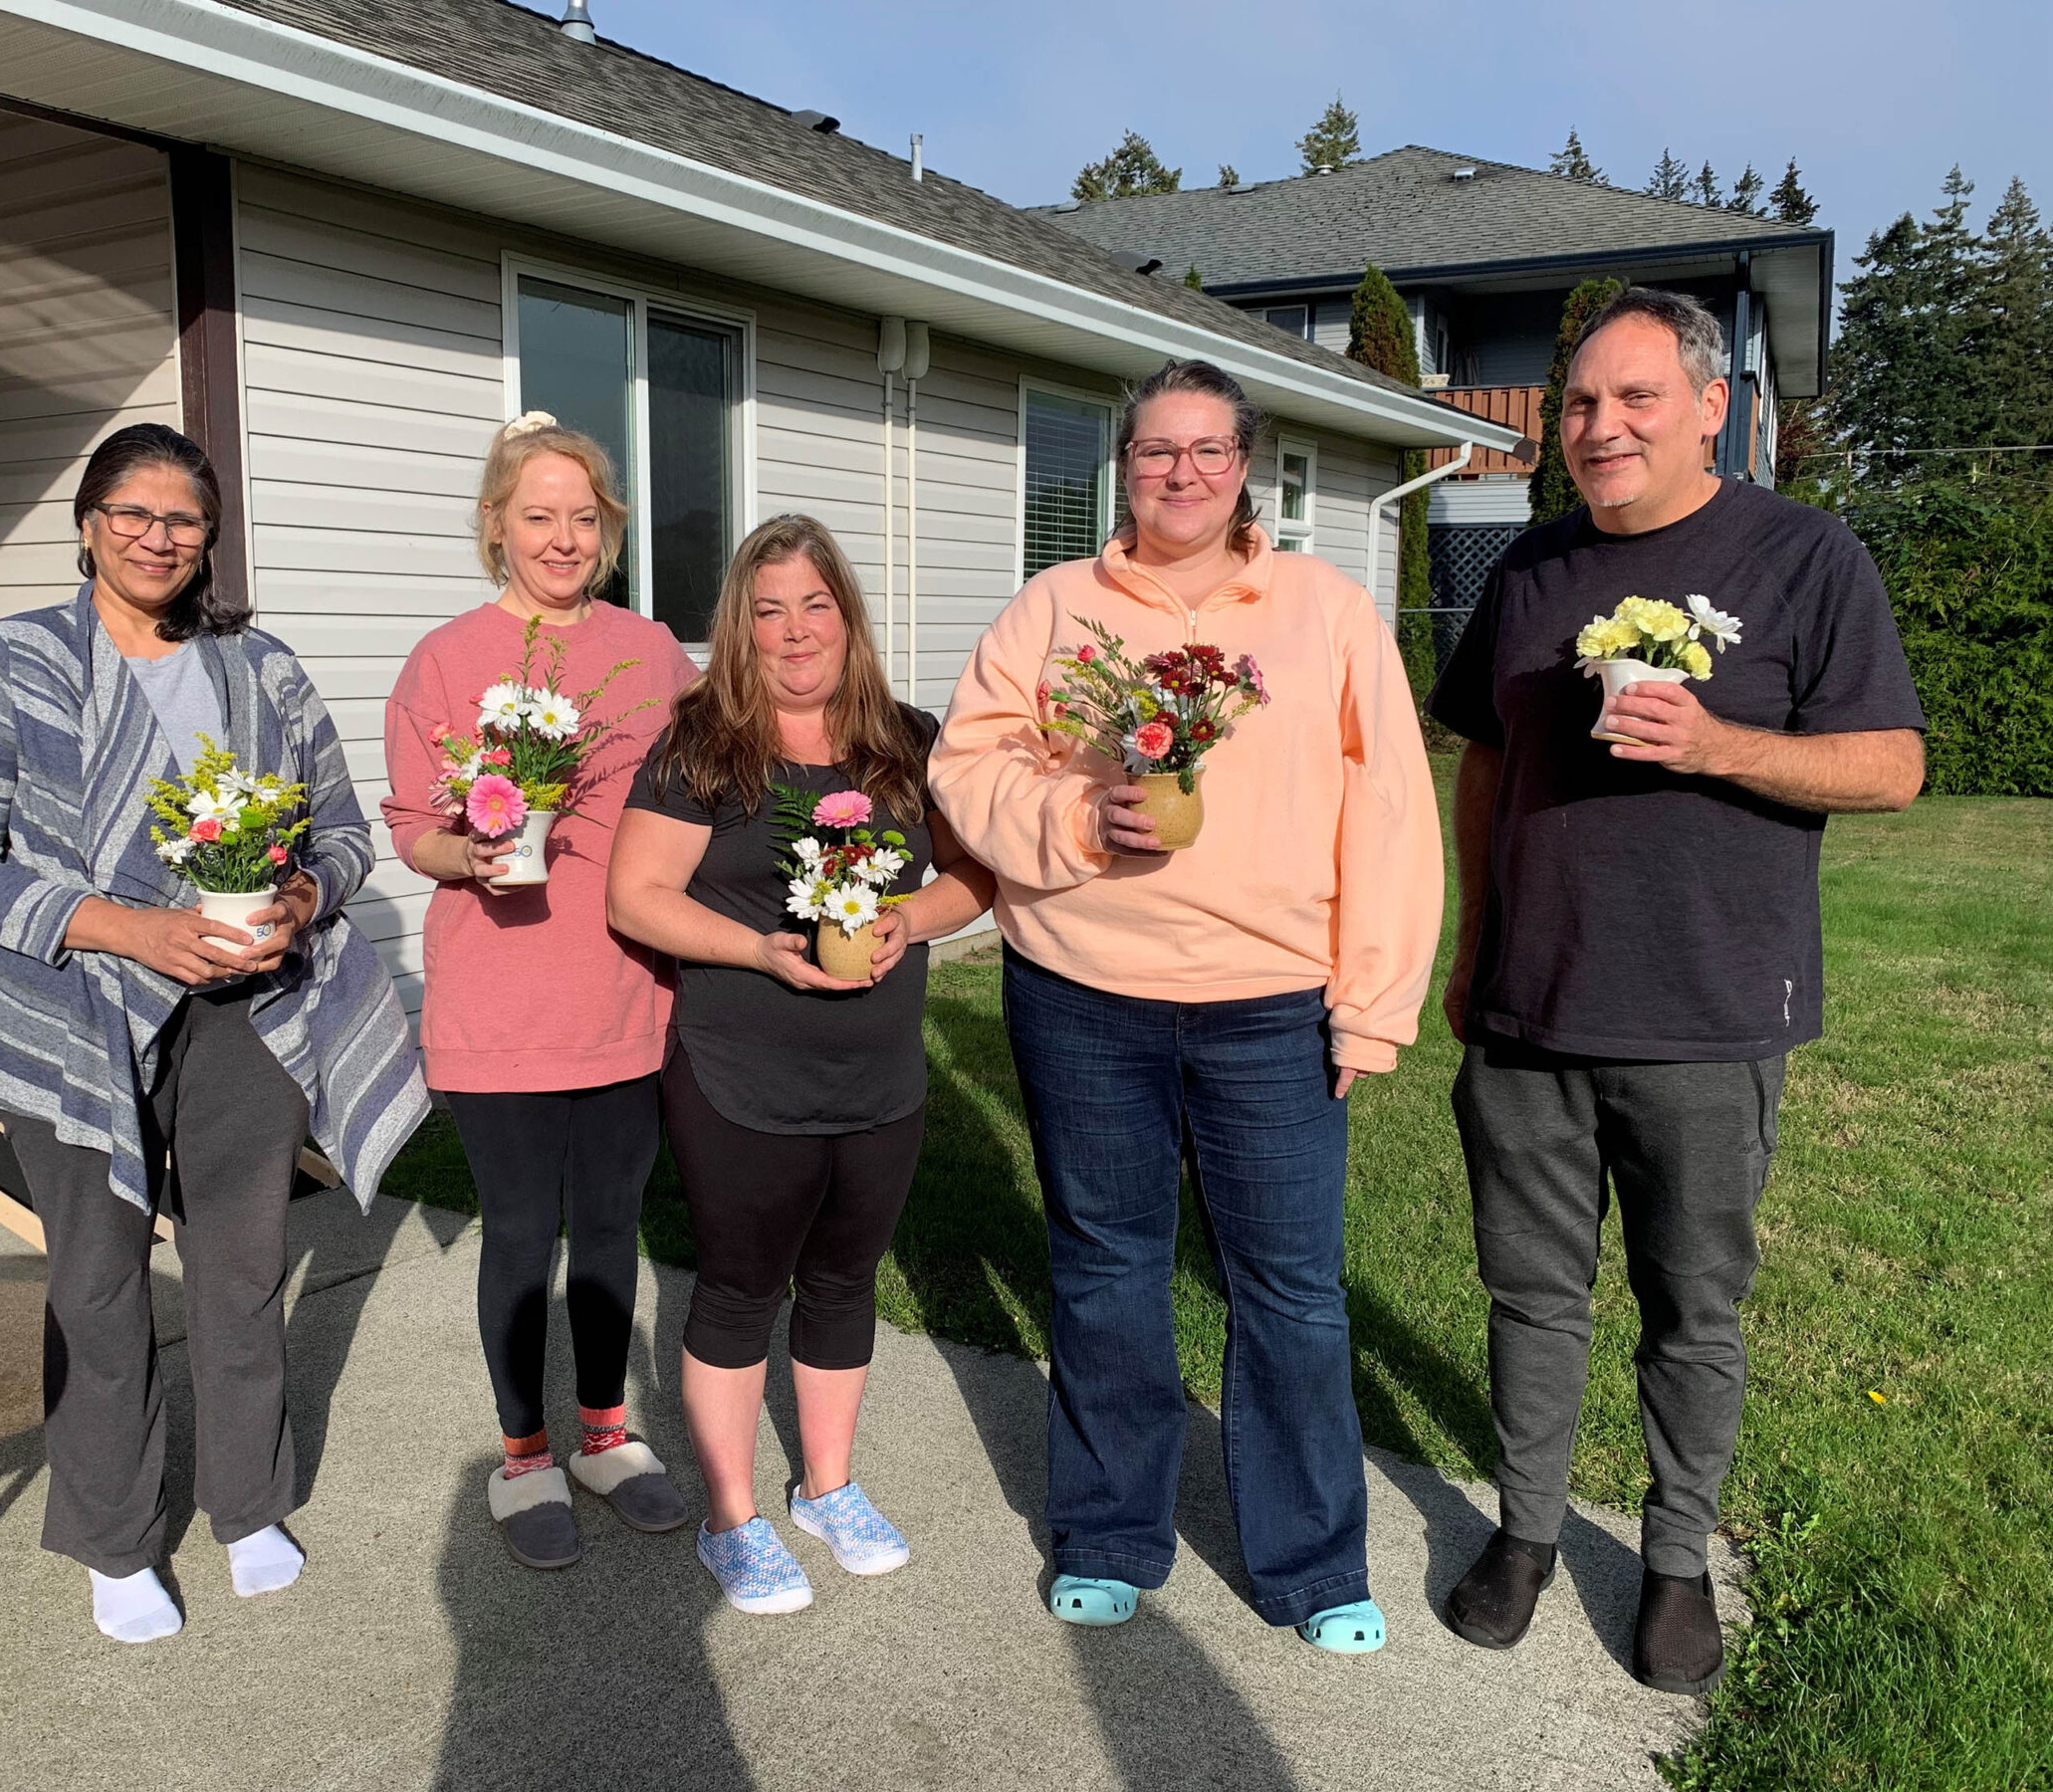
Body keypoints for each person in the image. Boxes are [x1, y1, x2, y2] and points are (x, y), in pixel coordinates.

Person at [1428, 287, 1924, 1693]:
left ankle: (1674, 1560)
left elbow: (1891, 764)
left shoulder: (1803, 557)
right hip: (1530, 1011)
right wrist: (1474, 949)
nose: (1600, 425)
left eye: (1636, 398)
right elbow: (1482, 760)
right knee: (1530, 1296)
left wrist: (1719, 744)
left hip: (1707, 1017)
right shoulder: (1529, 571)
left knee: (1691, 1307)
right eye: (1580, 402)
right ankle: (1524, 1538)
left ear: (1715, 407)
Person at [930, 358, 1440, 1652]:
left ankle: (1314, 1563)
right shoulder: (1056, 610)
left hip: (1271, 1006)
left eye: (1208, 451)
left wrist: (1370, 1005)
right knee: (1106, 1271)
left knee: (1292, 1290)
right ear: (1124, 464)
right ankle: (1108, 1533)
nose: (1183, 474)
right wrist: (1069, 811)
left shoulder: (1322, 610)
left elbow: (1390, 816)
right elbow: (969, 764)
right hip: (1082, 995)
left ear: (1246, 464)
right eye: (1158, 451)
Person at [0, 422, 427, 1645]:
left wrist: (305, 896)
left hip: (247, 1015)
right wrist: (126, 929)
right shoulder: (15, 661)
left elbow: (343, 830)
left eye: (183, 519)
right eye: (133, 513)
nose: (158, 536)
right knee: (98, 1284)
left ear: (209, 540)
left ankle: (247, 1505)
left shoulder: (265, 669)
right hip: (75, 1019)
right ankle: (114, 1536)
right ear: (88, 522)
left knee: (242, 1273)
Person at [607, 514, 995, 1615]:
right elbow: (635, 896)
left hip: (880, 1079)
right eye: (766, 610)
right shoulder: (703, 751)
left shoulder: (908, 744)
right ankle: (735, 1518)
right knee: (738, 1291)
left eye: (813, 605)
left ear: (846, 614)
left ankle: (828, 1486)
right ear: (741, 627)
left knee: (843, 1279)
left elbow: (977, 877)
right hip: (740, 1073)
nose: (792, 631)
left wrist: (911, 922)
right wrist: (759, 948)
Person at [381, 414, 698, 1569]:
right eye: (537, 517)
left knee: (611, 1225)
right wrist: (466, 853)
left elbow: (703, 790)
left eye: (583, 517)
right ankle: (525, 1457)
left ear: (607, 528)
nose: (562, 539)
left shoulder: (652, 650)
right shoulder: (448, 660)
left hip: (625, 991)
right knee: (521, 1232)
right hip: (500, 996)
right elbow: (416, 826)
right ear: (496, 527)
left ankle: (606, 1437)